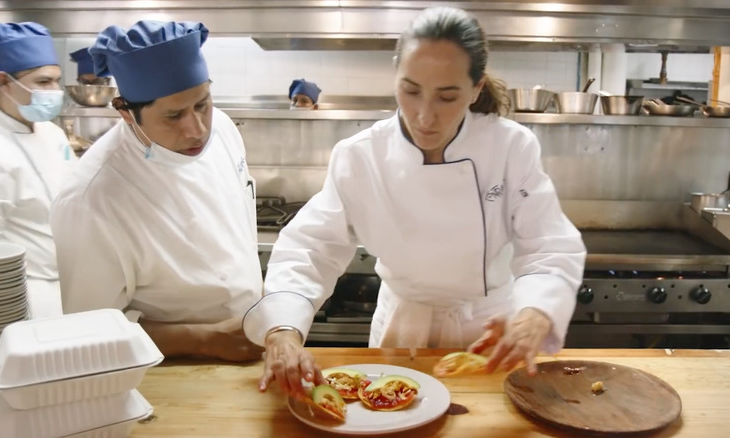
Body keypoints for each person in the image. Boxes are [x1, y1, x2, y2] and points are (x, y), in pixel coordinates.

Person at [243, 7, 586, 396]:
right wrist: (282, 331)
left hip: (491, 338)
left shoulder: (510, 147)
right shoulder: (361, 156)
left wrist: (535, 313)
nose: (425, 117)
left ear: (475, 89)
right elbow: (310, 249)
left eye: (447, 97)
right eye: (410, 91)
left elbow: (549, 246)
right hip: (401, 333)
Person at [50, 20, 263, 361]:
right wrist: (202, 340)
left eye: (202, 104)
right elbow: (87, 331)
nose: (197, 130)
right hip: (166, 372)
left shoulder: (221, 128)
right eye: (174, 115)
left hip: (249, 348)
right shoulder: (91, 200)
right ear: (126, 113)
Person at [0, 22, 75, 318]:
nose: (55, 92)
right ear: (4, 81)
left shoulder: (51, 132)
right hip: (29, 296)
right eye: (43, 82)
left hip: (75, 279)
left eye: (57, 81)